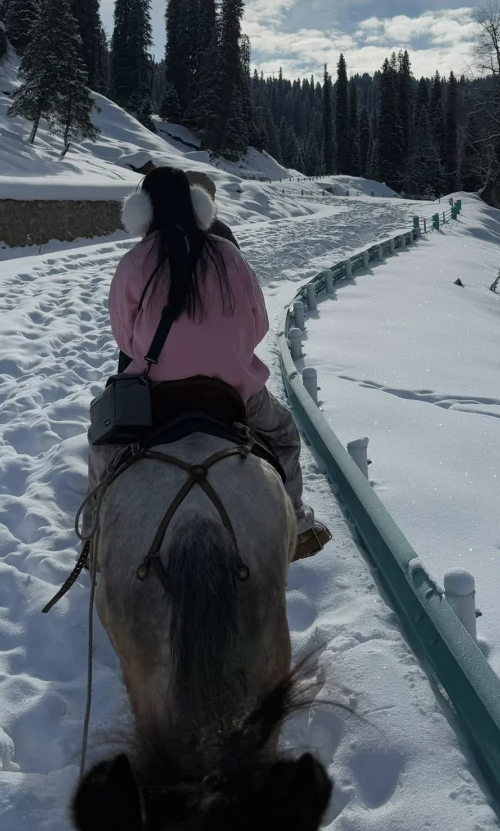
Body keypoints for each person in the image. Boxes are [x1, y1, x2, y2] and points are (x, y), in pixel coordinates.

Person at [90, 166, 330, 558]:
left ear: (142, 210)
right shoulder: (227, 254)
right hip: (233, 391)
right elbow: (259, 324)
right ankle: (297, 523)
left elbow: (125, 338)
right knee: (284, 435)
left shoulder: (133, 262)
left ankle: (95, 536)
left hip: (156, 395)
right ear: (198, 206)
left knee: (102, 446)